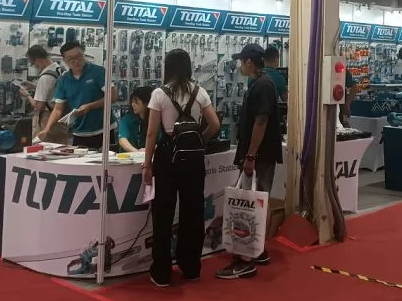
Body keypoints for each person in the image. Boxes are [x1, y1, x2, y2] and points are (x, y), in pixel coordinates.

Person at [142, 50, 219, 287]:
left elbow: (152, 133)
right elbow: (215, 124)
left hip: (167, 156)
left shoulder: (159, 94)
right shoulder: (200, 92)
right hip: (193, 159)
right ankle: (191, 268)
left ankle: (161, 272)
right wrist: (200, 139)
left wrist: (147, 164)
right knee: (193, 212)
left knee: (163, 215)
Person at [216, 42, 281, 281]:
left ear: (249, 62)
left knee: (251, 203)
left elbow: (261, 122)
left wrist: (251, 156)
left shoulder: (262, 85)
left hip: (259, 155)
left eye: (241, 62)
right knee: (258, 200)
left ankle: (246, 259)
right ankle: (258, 250)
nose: (239, 66)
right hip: (258, 153)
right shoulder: (259, 83)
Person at [41, 41, 116, 149]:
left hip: (104, 129)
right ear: (64, 60)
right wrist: (47, 129)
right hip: (79, 132)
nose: (77, 61)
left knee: (105, 159)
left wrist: (90, 106)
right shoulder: (64, 80)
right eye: (71, 59)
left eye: (79, 56)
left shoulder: (98, 72)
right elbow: (57, 109)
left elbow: (113, 96)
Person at [21, 45, 67, 143]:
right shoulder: (59, 69)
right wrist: (34, 86)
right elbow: (53, 89)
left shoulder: (45, 77)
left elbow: (39, 106)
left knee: (44, 148)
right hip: (61, 118)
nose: (35, 66)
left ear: (38, 60)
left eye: (33, 63)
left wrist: (27, 95)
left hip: (48, 119)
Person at [119, 86, 152, 152]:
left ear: (147, 103)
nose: (133, 104)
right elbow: (122, 140)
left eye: (136, 102)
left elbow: (161, 142)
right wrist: (137, 153)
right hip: (129, 156)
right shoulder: (126, 119)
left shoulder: (154, 120)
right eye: (132, 101)